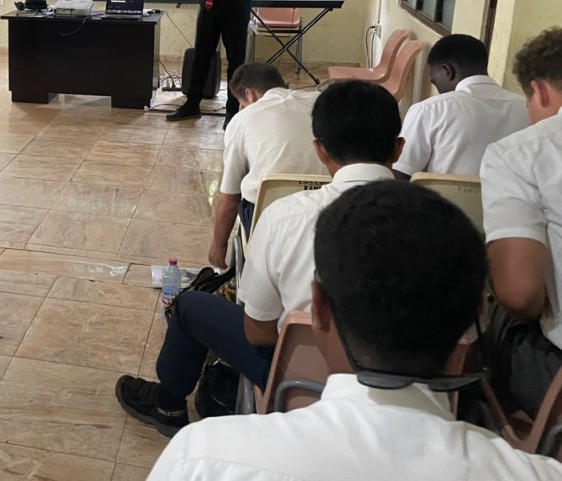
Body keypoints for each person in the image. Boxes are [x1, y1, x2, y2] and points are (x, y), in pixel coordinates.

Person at [148, 180, 562, 480]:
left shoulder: (203, 457)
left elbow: (257, 331)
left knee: (192, 307)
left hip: (280, 371)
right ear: (477, 312)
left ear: (319, 307)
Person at [116, 79, 402, 437]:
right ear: (398, 148)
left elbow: (259, 331)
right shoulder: (446, 222)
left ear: (320, 149)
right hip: (415, 401)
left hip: (302, 383)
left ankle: (167, 404)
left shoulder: (287, 216)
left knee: (190, 308)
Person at [482, 26, 562, 417]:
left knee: (497, 312)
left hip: (556, 373)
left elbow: (522, 295)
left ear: (540, 91)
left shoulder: (521, 153)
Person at [209, 63, 325, 268]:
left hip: (270, 221)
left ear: (249, 94)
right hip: (330, 213)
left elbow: (229, 198)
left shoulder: (242, 119)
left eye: (242, 103)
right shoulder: (321, 101)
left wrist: (218, 245)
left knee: (246, 191)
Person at [393, 33, 527, 179]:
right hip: (508, 194)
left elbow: (401, 174)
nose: (437, 89)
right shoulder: (526, 108)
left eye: (435, 82)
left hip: (440, 194)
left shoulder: (428, 110)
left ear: (448, 71)